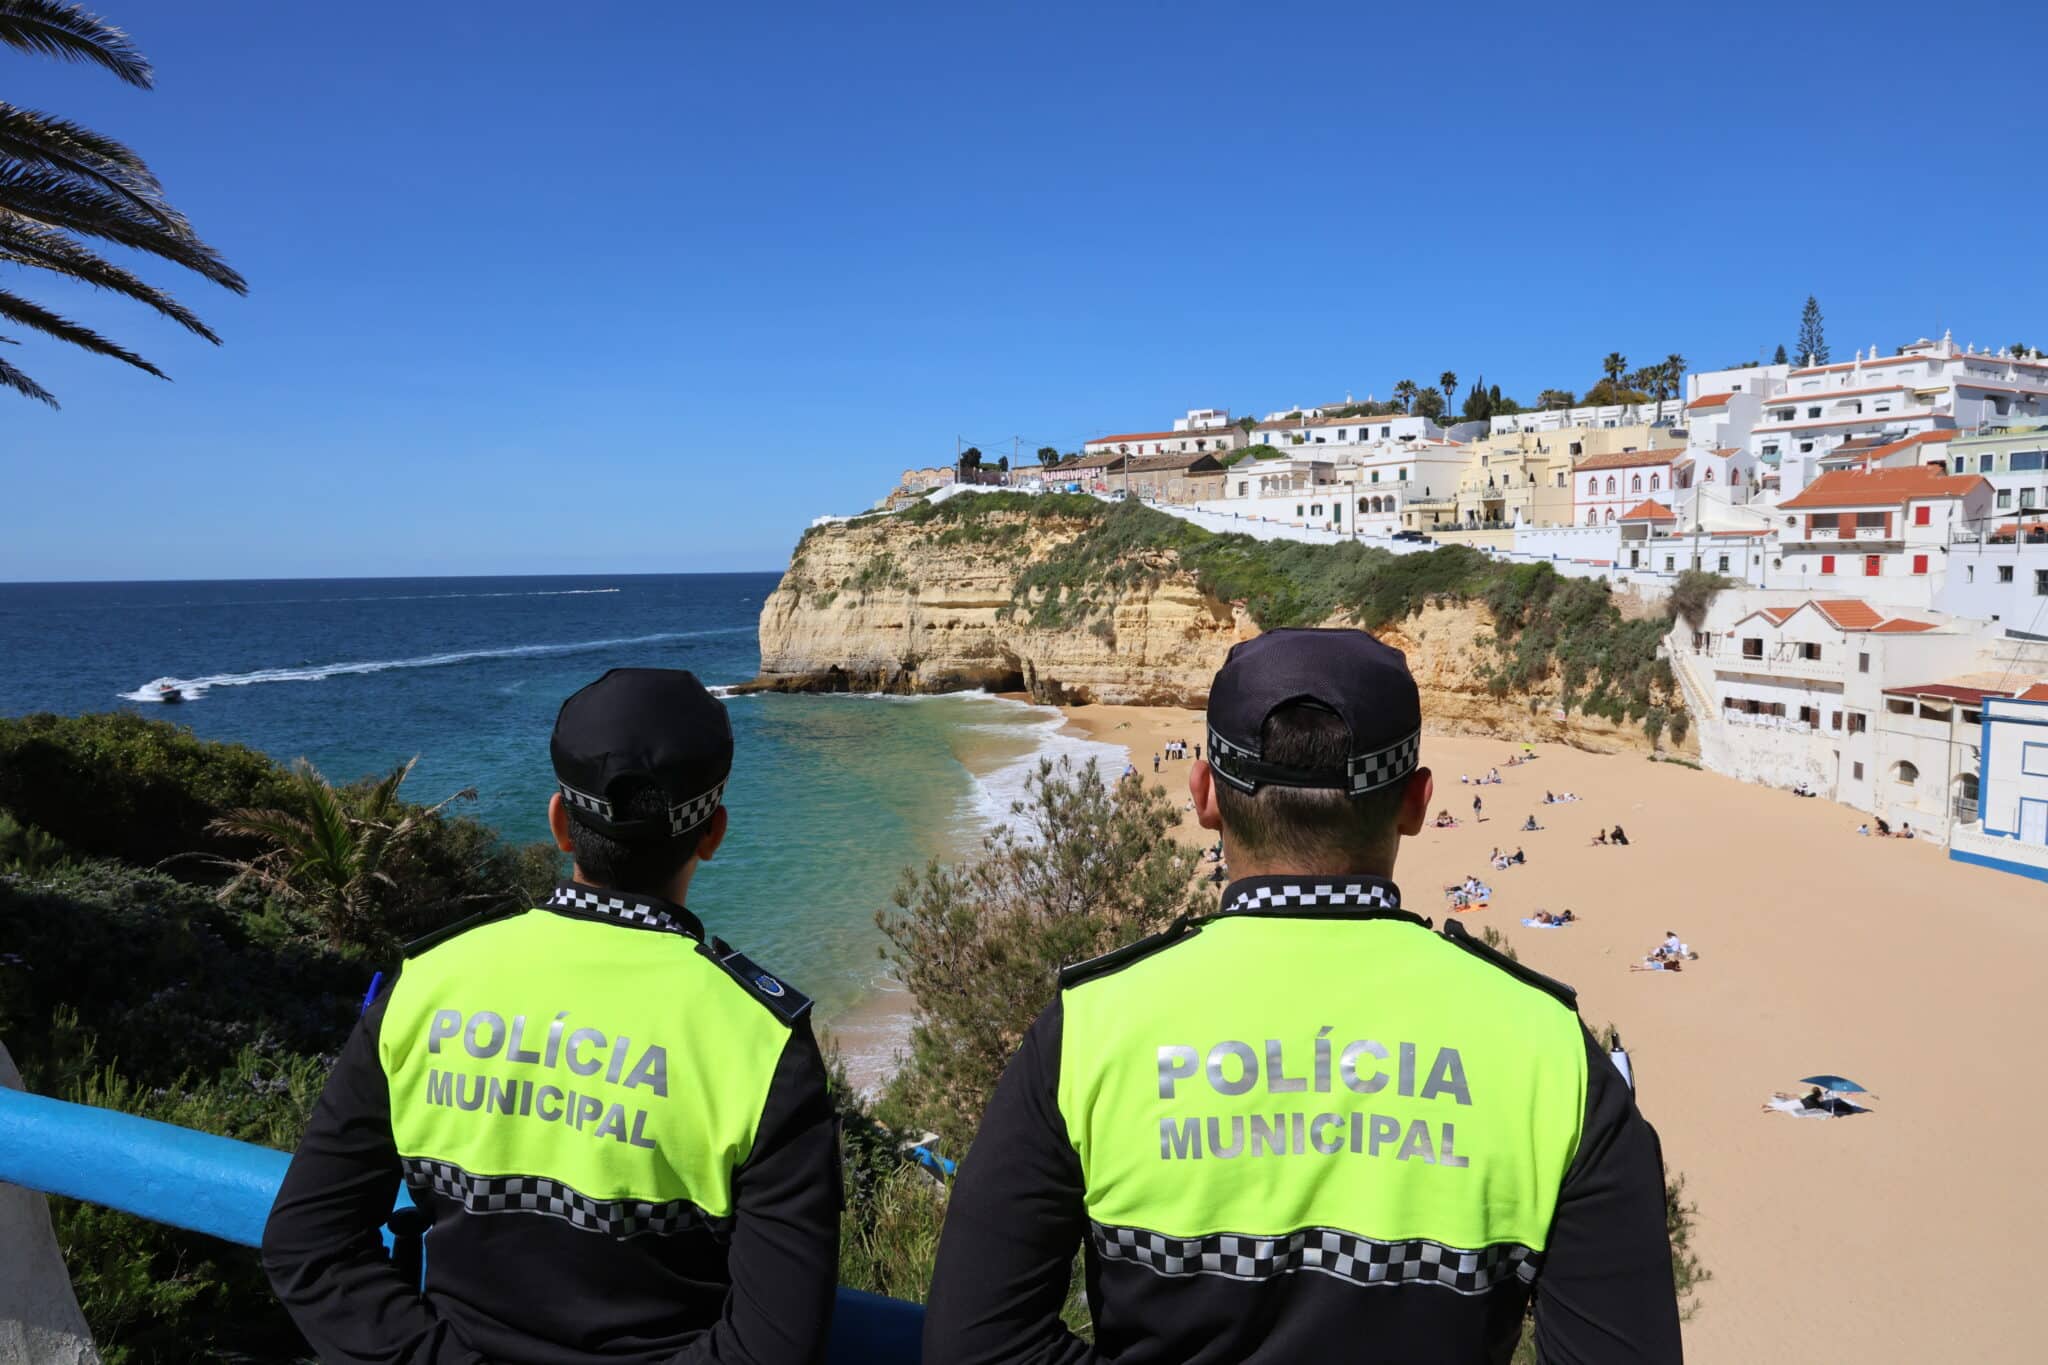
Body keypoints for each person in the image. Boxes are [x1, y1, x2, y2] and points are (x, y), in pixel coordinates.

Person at [922, 627, 1680, 1364]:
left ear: (1205, 793)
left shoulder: (1090, 1030)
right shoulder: (1550, 1052)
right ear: (1416, 803)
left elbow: (978, 1342)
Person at [262, 669, 840, 1365]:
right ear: (712, 832)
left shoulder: (427, 984)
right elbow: (773, 1344)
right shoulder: (762, 1041)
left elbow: (308, 1244)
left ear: (560, 823)